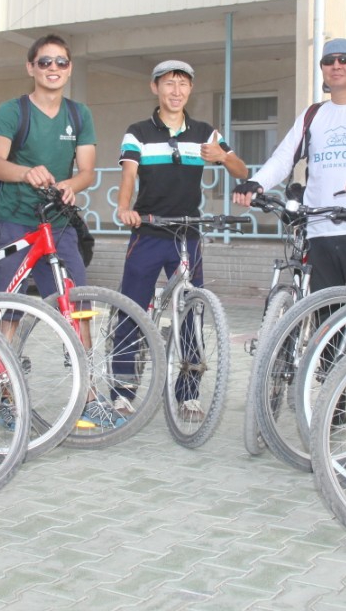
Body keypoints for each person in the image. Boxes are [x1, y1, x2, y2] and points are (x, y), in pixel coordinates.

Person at [114, 60, 248, 422]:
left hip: (187, 234)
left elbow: (241, 170)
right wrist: (125, 208)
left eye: (183, 84)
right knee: (132, 310)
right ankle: (122, 390)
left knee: (191, 311)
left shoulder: (205, 132)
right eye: (169, 84)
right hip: (148, 231)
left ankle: (188, 394)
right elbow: (129, 175)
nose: (176, 91)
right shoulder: (138, 132)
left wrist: (222, 156)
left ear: (191, 89)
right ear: (155, 87)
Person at [0, 35, 102, 422]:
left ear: (69, 68)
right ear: (31, 67)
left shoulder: (79, 114)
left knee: (78, 308)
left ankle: (88, 395)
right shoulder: (13, 110)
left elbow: (87, 170)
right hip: (14, 222)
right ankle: (8, 398)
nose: (53, 68)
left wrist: (71, 184)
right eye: (45, 62)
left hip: (59, 224)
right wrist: (25, 172)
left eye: (61, 62)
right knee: (9, 313)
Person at [232, 38, 346, 294]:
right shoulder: (312, 115)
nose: (336, 65)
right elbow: (283, 158)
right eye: (328, 61)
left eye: (345, 59)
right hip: (317, 232)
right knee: (324, 314)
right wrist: (256, 183)